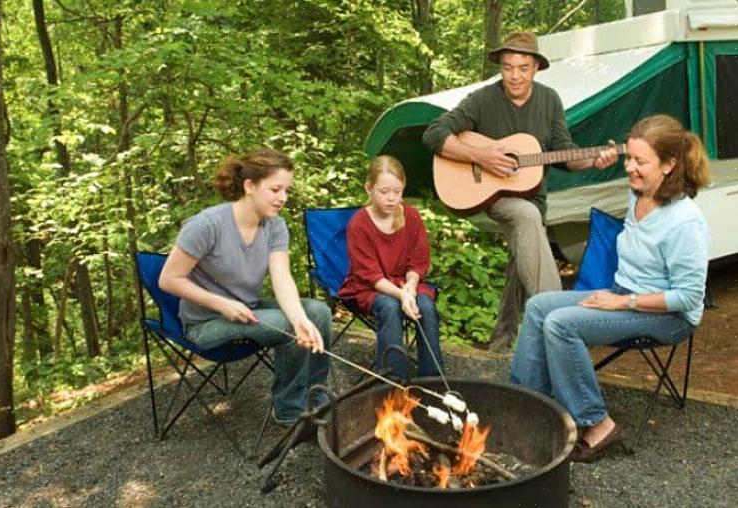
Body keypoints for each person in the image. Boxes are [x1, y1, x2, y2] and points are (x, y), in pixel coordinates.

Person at [510, 114, 711, 462]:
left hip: (668, 316)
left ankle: (597, 424)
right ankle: (530, 406)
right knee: (541, 305)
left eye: (639, 161)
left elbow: (688, 297)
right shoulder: (639, 194)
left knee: (561, 324)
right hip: (624, 292)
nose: (629, 167)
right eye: (628, 158)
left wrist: (623, 303)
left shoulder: (685, 222)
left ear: (669, 164)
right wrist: (619, 297)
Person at [422, 31, 619, 352]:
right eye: (508, 67)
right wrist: (481, 155)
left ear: (536, 68)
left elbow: (565, 153)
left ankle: (501, 344)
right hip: (494, 197)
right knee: (525, 218)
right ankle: (561, 317)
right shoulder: (483, 99)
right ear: (500, 66)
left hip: (532, 197)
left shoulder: (549, 100)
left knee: (523, 258)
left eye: (523, 68)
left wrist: (594, 161)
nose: (515, 75)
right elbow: (434, 133)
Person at [158, 148, 331, 425]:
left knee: (317, 313)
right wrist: (221, 304)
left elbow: (281, 278)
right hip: (206, 321)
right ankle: (289, 410)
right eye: (275, 189)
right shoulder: (207, 225)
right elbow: (168, 279)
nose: (283, 198)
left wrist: (301, 318)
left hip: (249, 309)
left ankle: (315, 394)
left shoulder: (275, 226)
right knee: (287, 325)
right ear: (249, 186)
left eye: (286, 190)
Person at [338, 155, 444, 380]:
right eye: (384, 191)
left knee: (425, 305)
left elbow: (418, 262)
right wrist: (401, 295)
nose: (391, 198)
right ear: (369, 188)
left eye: (397, 191)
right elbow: (370, 275)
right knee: (389, 306)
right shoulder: (359, 224)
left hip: (406, 283)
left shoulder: (412, 217)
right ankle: (391, 381)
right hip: (370, 287)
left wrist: (410, 289)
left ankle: (433, 378)